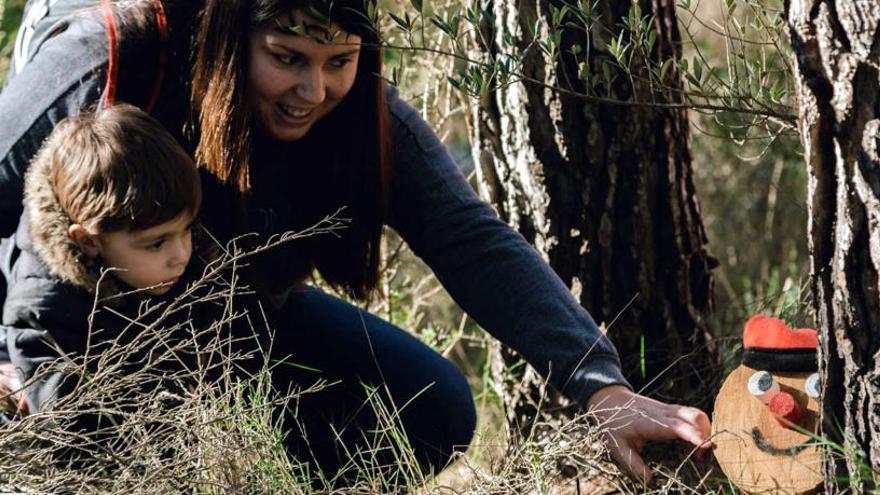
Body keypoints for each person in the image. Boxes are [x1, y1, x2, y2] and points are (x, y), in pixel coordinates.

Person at [0, 0, 712, 484]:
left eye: (337, 60)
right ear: (229, 33)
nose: (313, 89)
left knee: (433, 407)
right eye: (286, 57)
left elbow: (469, 237)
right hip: (73, 334)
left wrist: (600, 384)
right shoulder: (114, 55)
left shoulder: (360, 110)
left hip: (229, 313)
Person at [2, 103, 209, 416]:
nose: (181, 255)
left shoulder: (160, 258)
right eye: (156, 244)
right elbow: (72, 430)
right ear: (88, 242)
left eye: (187, 230)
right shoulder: (44, 309)